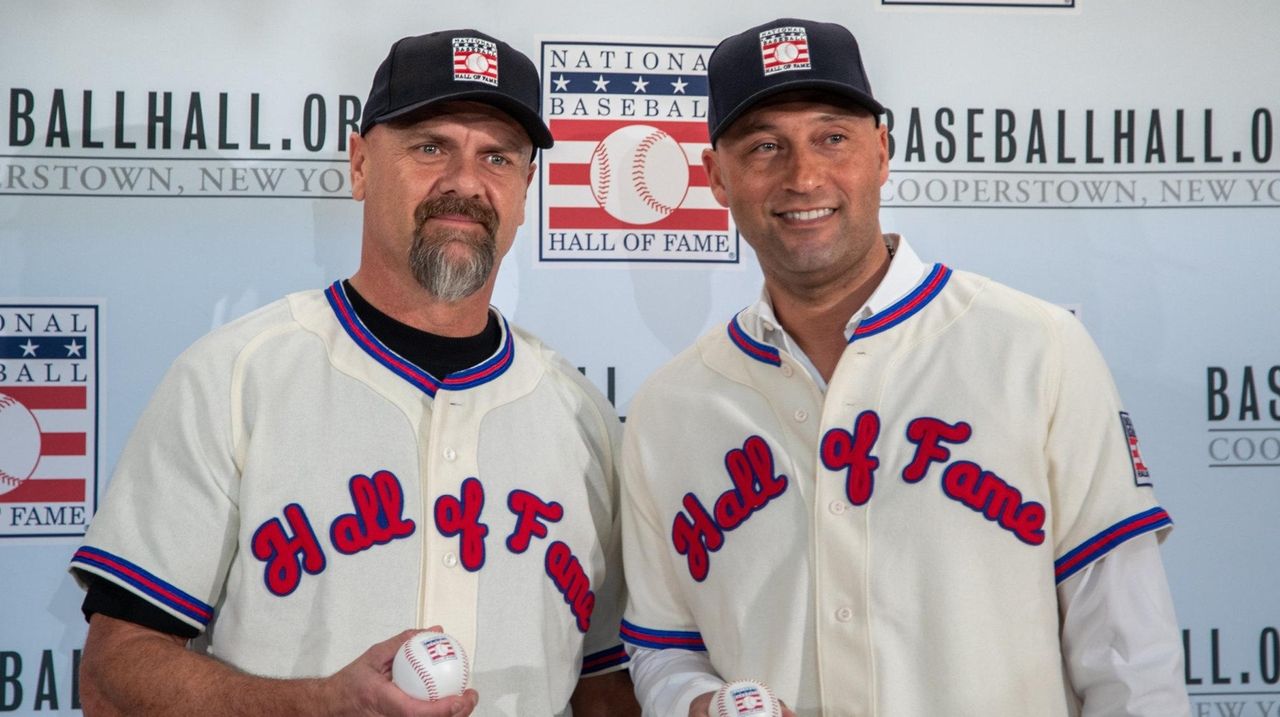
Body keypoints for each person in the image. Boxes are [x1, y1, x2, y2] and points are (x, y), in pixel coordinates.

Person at [619, 18, 1191, 717]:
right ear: (716, 177)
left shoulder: (1036, 347)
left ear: (882, 151)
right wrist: (700, 704)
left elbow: (1129, 651)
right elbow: (664, 646)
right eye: (765, 146)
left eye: (833, 137)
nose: (803, 176)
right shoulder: (670, 406)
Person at [70, 29, 636, 717]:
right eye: (431, 146)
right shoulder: (235, 377)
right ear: (361, 164)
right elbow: (113, 674)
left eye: (498, 156)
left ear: (525, 186)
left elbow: (607, 685)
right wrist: (317, 704)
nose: (465, 182)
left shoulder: (582, 418)